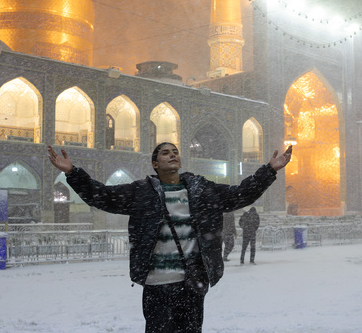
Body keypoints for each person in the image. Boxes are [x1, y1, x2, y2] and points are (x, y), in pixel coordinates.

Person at [47, 142, 292, 333]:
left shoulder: (201, 190)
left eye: (175, 151)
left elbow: (240, 194)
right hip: (157, 284)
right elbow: (102, 196)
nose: (172, 155)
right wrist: (73, 173)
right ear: (155, 164)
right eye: (165, 153)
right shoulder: (141, 192)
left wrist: (269, 170)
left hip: (192, 283)